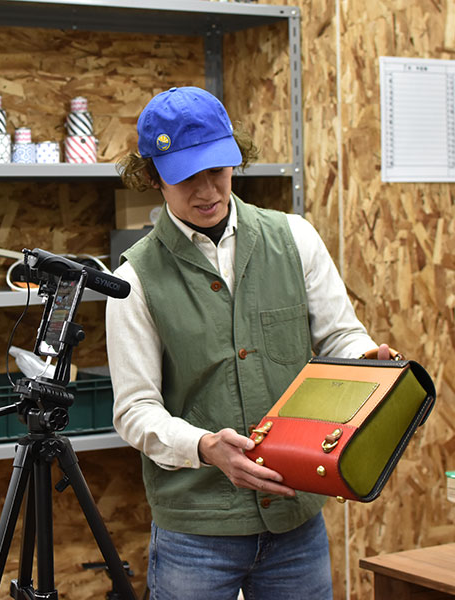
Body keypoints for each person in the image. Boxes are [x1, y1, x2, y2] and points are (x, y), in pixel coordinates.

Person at [107, 86, 393, 600]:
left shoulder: (295, 238)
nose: (207, 190)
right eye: (185, 177)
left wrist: (363, 360)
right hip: (196, 533)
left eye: (216, 169)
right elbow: (134, 410)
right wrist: (205, 447)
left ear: (234, 158)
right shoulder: (134, 280)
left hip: (296, 520)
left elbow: (341, 336)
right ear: (152, 178)